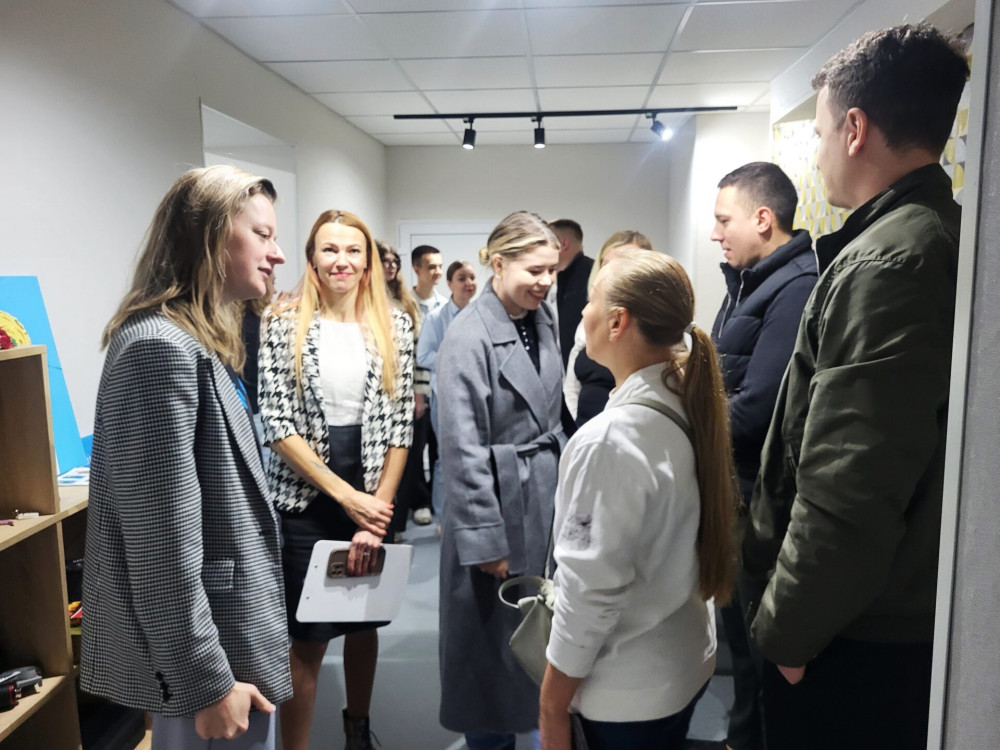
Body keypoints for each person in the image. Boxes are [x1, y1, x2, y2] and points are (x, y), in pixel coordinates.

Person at [741, 24, 968, 750]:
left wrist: (787, 636)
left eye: (819, 133)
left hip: (853, 634)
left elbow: (850, 484)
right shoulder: (931, 233)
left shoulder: (888, 262)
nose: (817, 153)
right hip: (873, 619)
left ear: (855, 129)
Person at [81, 165, 290, 749]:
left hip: (228, 638)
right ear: (212, 235)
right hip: (211, 661)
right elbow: (160, 546)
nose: (276, 254)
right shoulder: (160, 349)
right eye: (263, 235)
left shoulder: (194, 340)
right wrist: (206, 682)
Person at [539, 250, 737, 750]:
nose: (582, 312)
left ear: (617, 322)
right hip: (681, 663)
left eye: (590, 300)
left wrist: (551, 705)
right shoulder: (685, 399)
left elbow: (589, 592)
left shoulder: (610, 440)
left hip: (627, 690)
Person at [259, 210, 414, 750]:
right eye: (329, 249)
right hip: (307, 493)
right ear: (312, 259)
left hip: (373, 489)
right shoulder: (281, 321)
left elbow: (401, 426)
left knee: (364, 621)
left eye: (353, 250)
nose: (341, 260)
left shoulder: (395, 324)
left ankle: (358, 731)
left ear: (368, 262)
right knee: (309, 635)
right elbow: (278, 424)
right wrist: (348, 498)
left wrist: (376, 512)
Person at [437, 211, 565, 750]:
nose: (546, 281)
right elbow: (461, 448)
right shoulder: (468, 336)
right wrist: (486, 539)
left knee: (539, 637)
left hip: (542, 492)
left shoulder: (542, 317)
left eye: (553, 270)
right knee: (489, 650)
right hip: (496, 505)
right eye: (535, 270)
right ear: (498, 263)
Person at [708, 161, 816, 750]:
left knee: (757, 652)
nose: (715, 234)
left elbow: (758, 409)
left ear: (763, 219)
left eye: (724, 220)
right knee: (743, 654)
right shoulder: (750, 282)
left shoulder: (794, 287)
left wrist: (683, 418)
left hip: (759, 498)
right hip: (739, 491)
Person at [563, 230, 654, 428]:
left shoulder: (656, 327)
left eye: (624, 264)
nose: (612, 273)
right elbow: (571, 386)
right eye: (607, 264)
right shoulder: (587, 320)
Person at [416, 260, 478, 522]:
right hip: (446, 398)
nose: (468, 283)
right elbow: (423, 356)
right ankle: (444, 517)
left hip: (477, 396)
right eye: (462, 278)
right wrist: (454, 358)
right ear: (450, 284)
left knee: (475, 457)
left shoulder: (482, 314)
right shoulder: (436, 317)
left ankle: (471, 513)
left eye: (472, 277)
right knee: (445, 458)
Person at [377, 240, 425, 541]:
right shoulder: (364, 301)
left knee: (404, 460)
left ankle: (396, 525)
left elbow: (419, 355)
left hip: (404, 391)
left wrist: (418, 393)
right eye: (385, 260)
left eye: (395, 261)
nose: (392, 265)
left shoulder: (406, 303)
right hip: (377, 394)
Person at [408, 244, 447, 526]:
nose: (437, 272)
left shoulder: (444, 305)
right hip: (415, 391)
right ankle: (419, 501)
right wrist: (416, 394)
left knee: (439, 449)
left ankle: (436, 500)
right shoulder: (404, 304)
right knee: (415, 449)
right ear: (417, 269)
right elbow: (408, 356)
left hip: (441, 389)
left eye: (440, 266)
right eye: (431, 266)